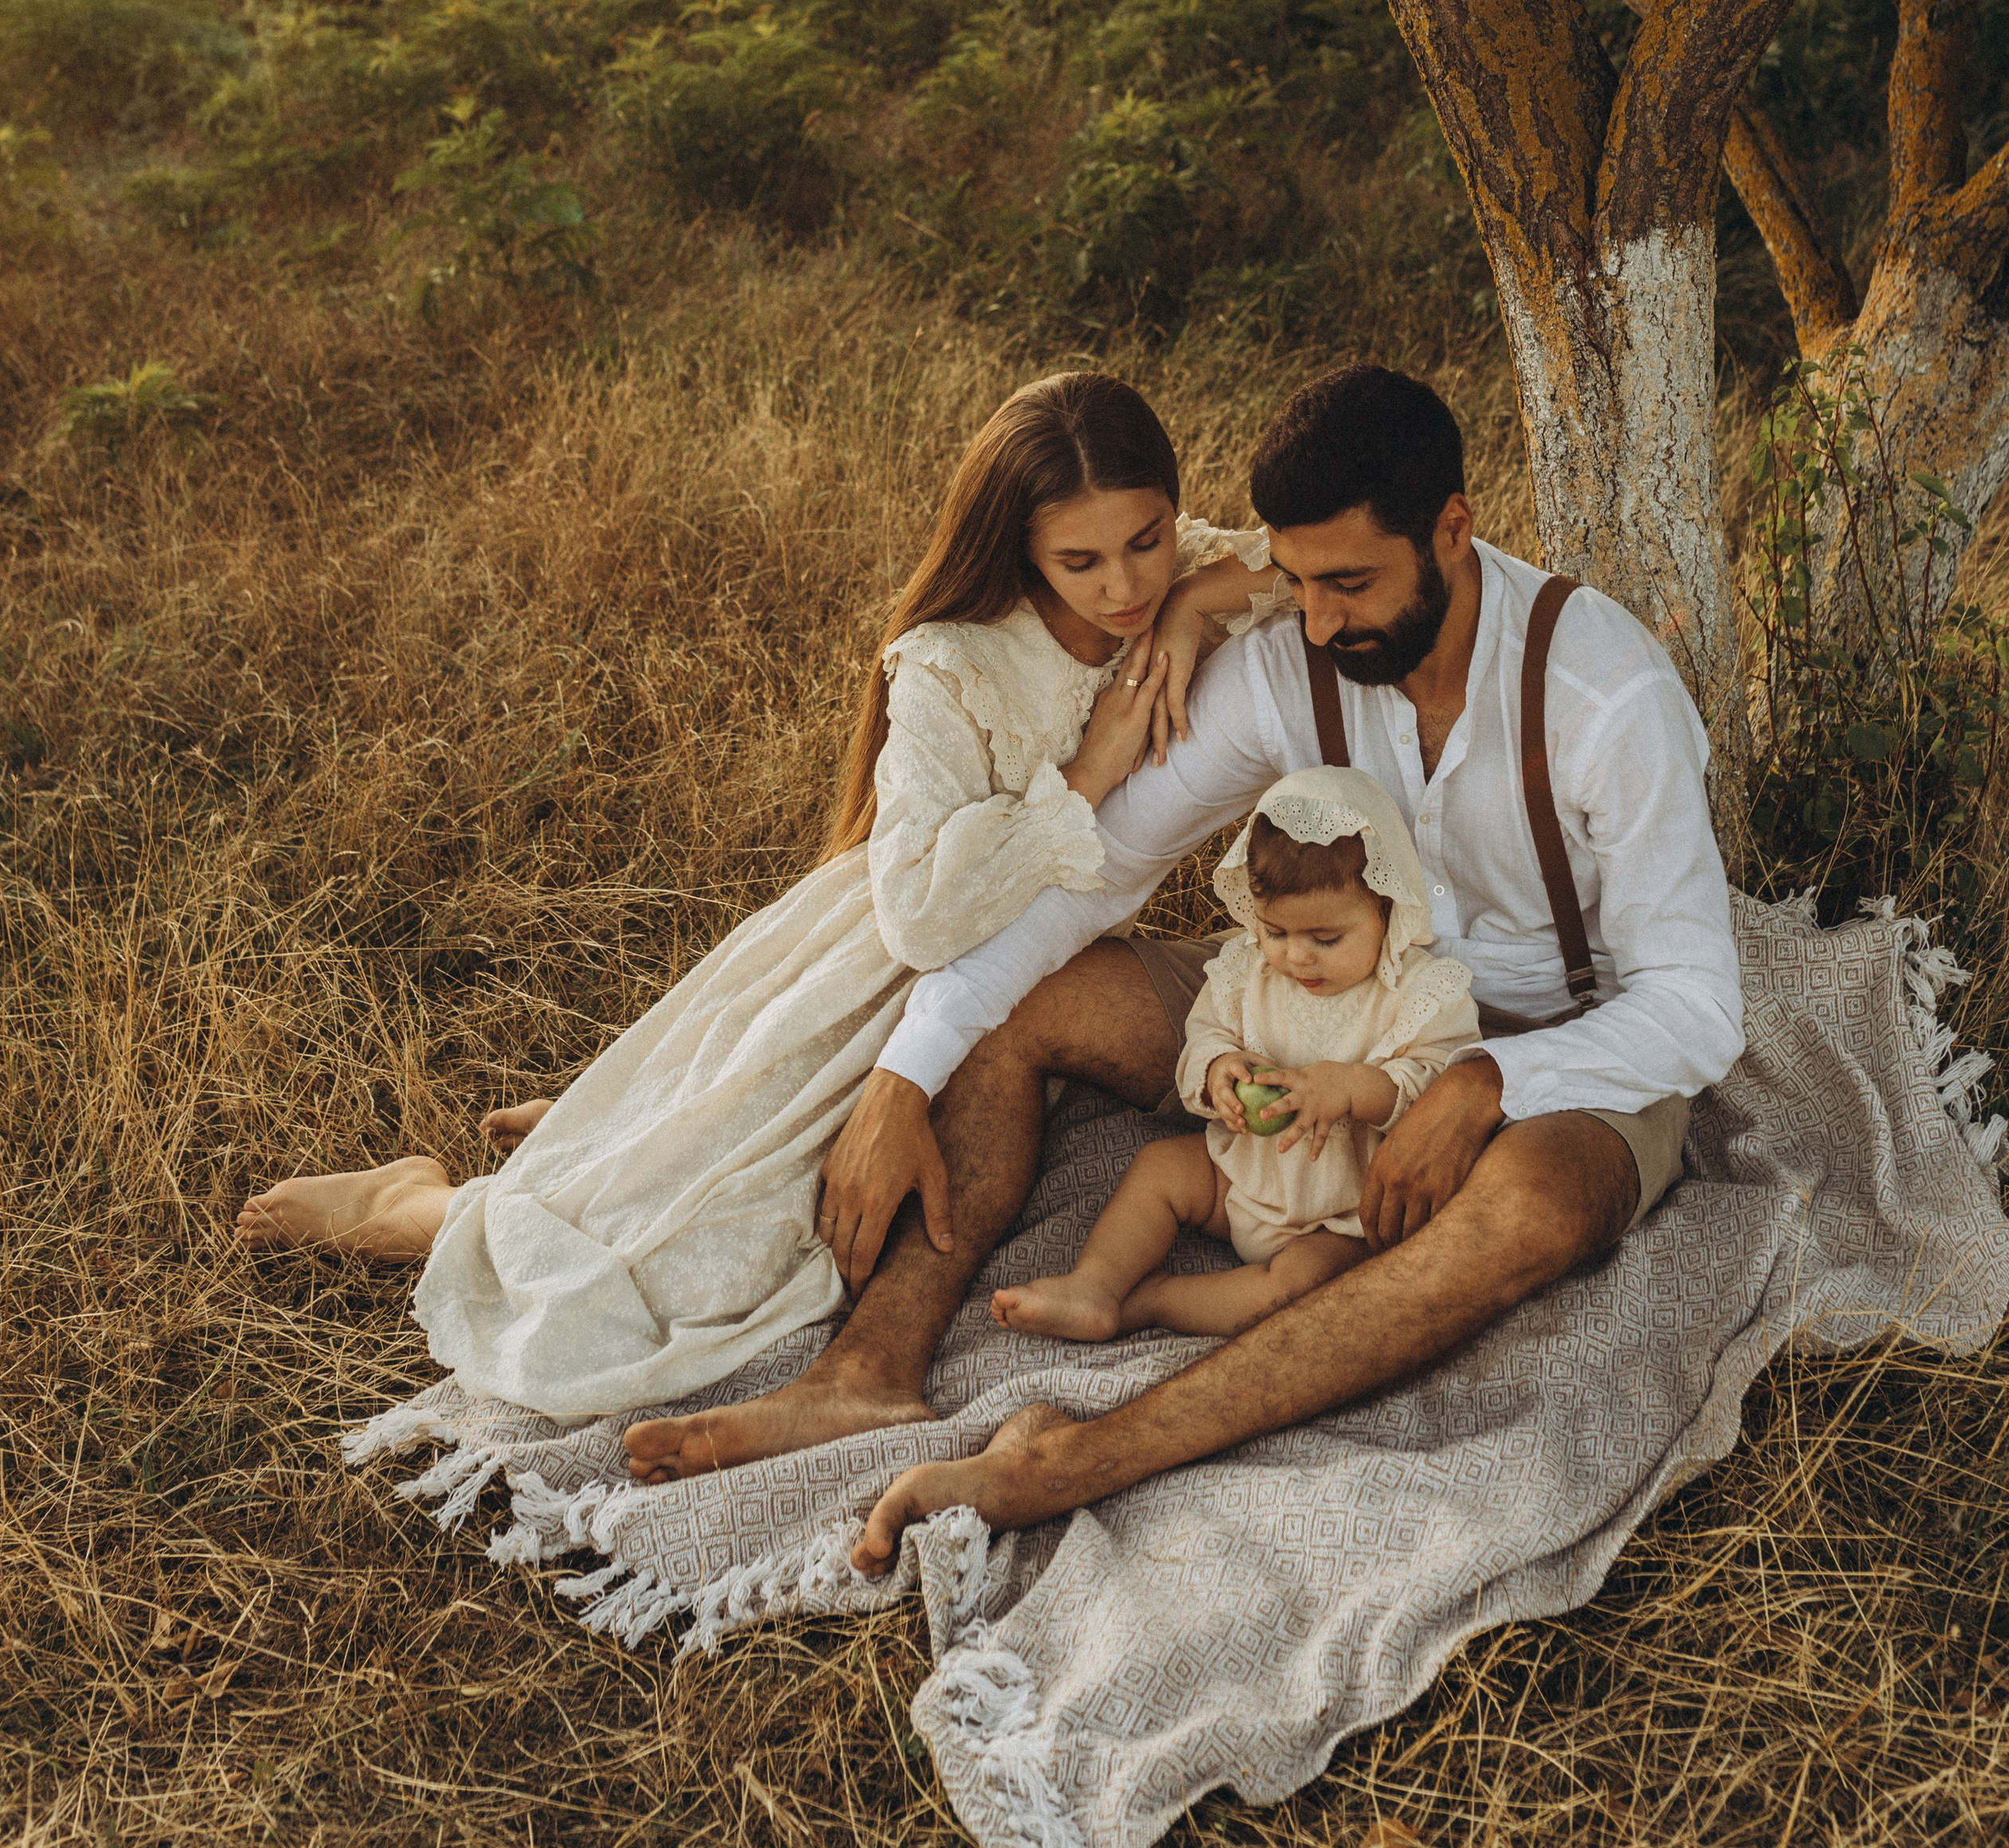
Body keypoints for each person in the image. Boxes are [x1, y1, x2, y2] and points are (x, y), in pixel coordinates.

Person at [613, 363, 1742, 1554]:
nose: (1313, 621)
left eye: (1349, 583)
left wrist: (1485, 1082)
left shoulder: (1604, 693)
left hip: (1547, 1043)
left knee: (1535, 1213)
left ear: (1453, 530)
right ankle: (867, 1369)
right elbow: (1094, 872)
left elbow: (1696, 1004)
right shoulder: (1295, 657)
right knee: (1030, 999)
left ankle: (1078, 1454)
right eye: (1293, 581)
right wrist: (902, 1077)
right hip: (1318, 993)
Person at [234, 372, 1283, 1435]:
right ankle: (410, 1205)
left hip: (1013, 975)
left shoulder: (1186, 570)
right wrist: (1089, 774)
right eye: (1082, 561)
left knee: (729, 1191)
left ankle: (628, 1129)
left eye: (1146, 540)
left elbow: (1307, 567)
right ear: (1018, 548)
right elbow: (921, 914)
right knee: (699, 1275)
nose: (1124, 585)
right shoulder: (956, 662)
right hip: (875, 970)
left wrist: (1195, 600)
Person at [992, 765, 1480, 1342]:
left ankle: (1153, 1301)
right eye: (1276, 932)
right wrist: (1220, 1071)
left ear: (1387, 907)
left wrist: (1351, 1089)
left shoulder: (1418, 992)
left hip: (1342, 1213)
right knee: (1158, 1170)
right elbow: (1206, 1037)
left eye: (1325, 939)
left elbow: (1439, 1084)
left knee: (1298, 1288)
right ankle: (1094, 1284)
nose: (1297, 957)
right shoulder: (1246, 972)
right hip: (1242, 1177)